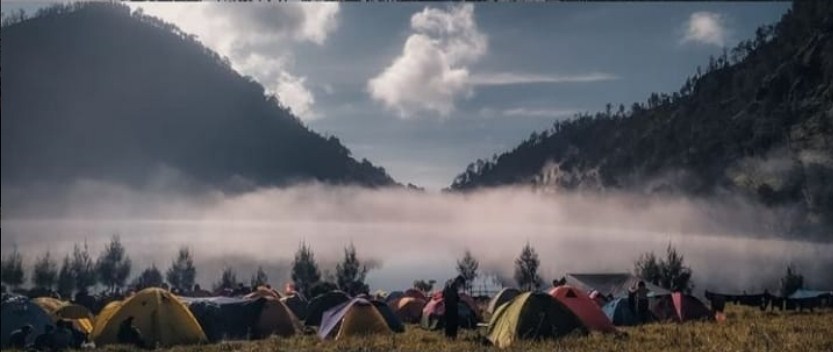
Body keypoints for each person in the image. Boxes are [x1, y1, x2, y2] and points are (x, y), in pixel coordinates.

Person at [442, 275, 465, 340]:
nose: (459, 285)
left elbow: (443, 293)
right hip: (452, 305)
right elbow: (455, 296)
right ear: (459, 280)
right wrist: (458, 299)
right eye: (460, 284)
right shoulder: (453, 285)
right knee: (454, 321)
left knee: (448, 321)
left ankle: (447, 335)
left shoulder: (448, 282)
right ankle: (453, 336)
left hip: (446, 305)